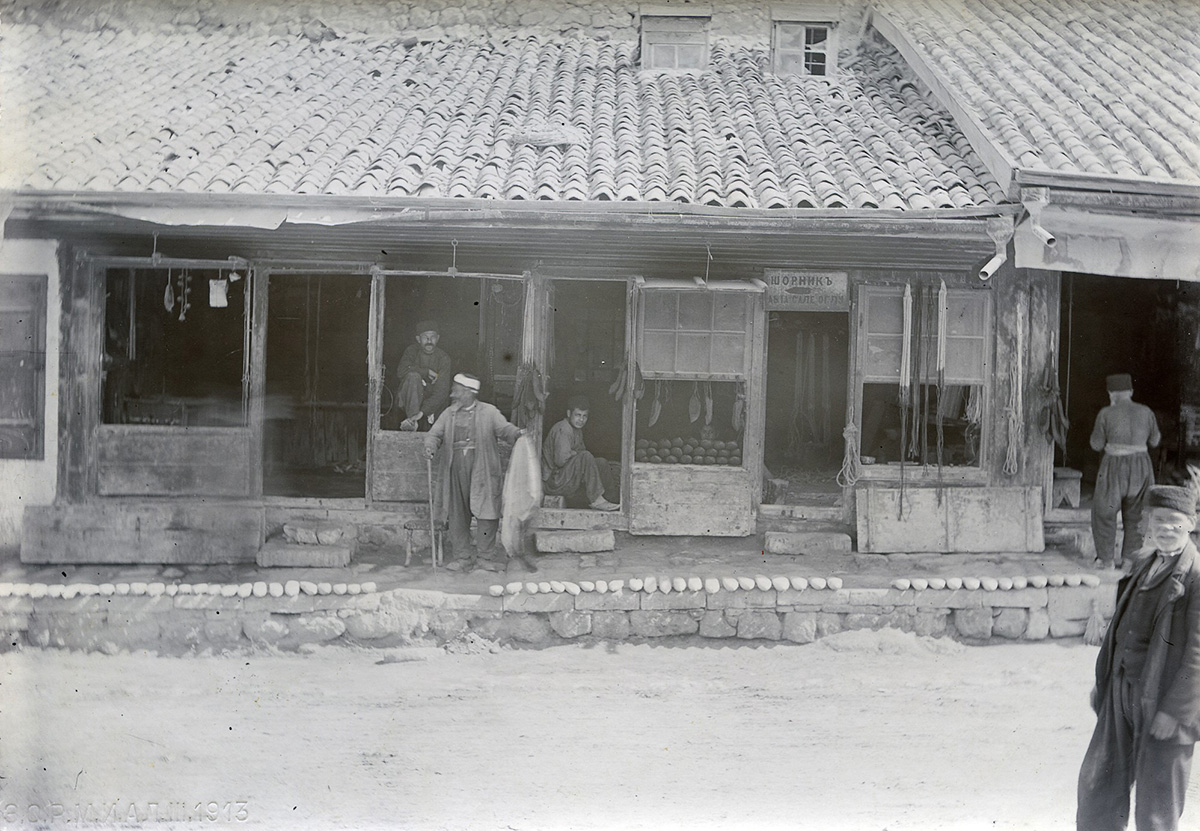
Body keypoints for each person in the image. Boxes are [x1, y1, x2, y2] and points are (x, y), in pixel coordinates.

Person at [1076, 484, 1200, 831]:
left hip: (1163, 701)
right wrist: (1105, 683)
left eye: (1175, 522)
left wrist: (1174, 712)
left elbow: (1198, 654)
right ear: (1147, 522)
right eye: (1158, 520)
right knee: (1099, 782)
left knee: (1157, 801)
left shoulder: (1195, 576)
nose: (1165, 528)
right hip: (1122, 691)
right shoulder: (1144, 563)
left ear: (1191, 523)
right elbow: (1122, 627)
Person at [423, 373, 523, 571]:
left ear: (469, 392)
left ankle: (485, 558)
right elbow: (434, 434)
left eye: (457, 391)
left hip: (483, 471)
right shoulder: (449, 413)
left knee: (487, 514)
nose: (454, 395)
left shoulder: (489, 412)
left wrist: (517, 434)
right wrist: (430, 446)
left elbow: (504, 429)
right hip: (455, 471)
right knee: (457, 515)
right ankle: (463, 558)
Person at [1090, 373, 1161, 568]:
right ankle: (1130, 560)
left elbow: (1096, 445)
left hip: (1113, 466)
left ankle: (1106, 560)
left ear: (1110, 393)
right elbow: (1155, 441)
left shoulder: (1105, 413)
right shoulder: (1146, 412)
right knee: (1137, 514)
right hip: (1141, 467)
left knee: (1105, 512)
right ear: (1131, 391)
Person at [542, 396, 620, 511]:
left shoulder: (577, 430)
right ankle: (596, 500)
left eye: (585, 416)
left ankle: (611, 498)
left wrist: (575, 454)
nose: (581, 420)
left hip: (566, 476)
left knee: (601, 463)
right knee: (586, 456)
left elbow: (580, 453)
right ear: (569, 414)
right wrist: (575, 454)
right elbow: (560, 460)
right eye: (578, 415)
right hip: (555, 481)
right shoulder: (564, 429)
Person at [396, 321, 451, 431]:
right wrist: (426, 372)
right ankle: (411, 422)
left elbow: (442, 391)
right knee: (413, 376)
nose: (429, 341)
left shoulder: (443, 358)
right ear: (418, 339)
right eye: (425, 337)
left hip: (432, 402)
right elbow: (401, 371)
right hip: (408, 400)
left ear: (438, 338)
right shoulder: (412, 351)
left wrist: (423, 412)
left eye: (433, 337)